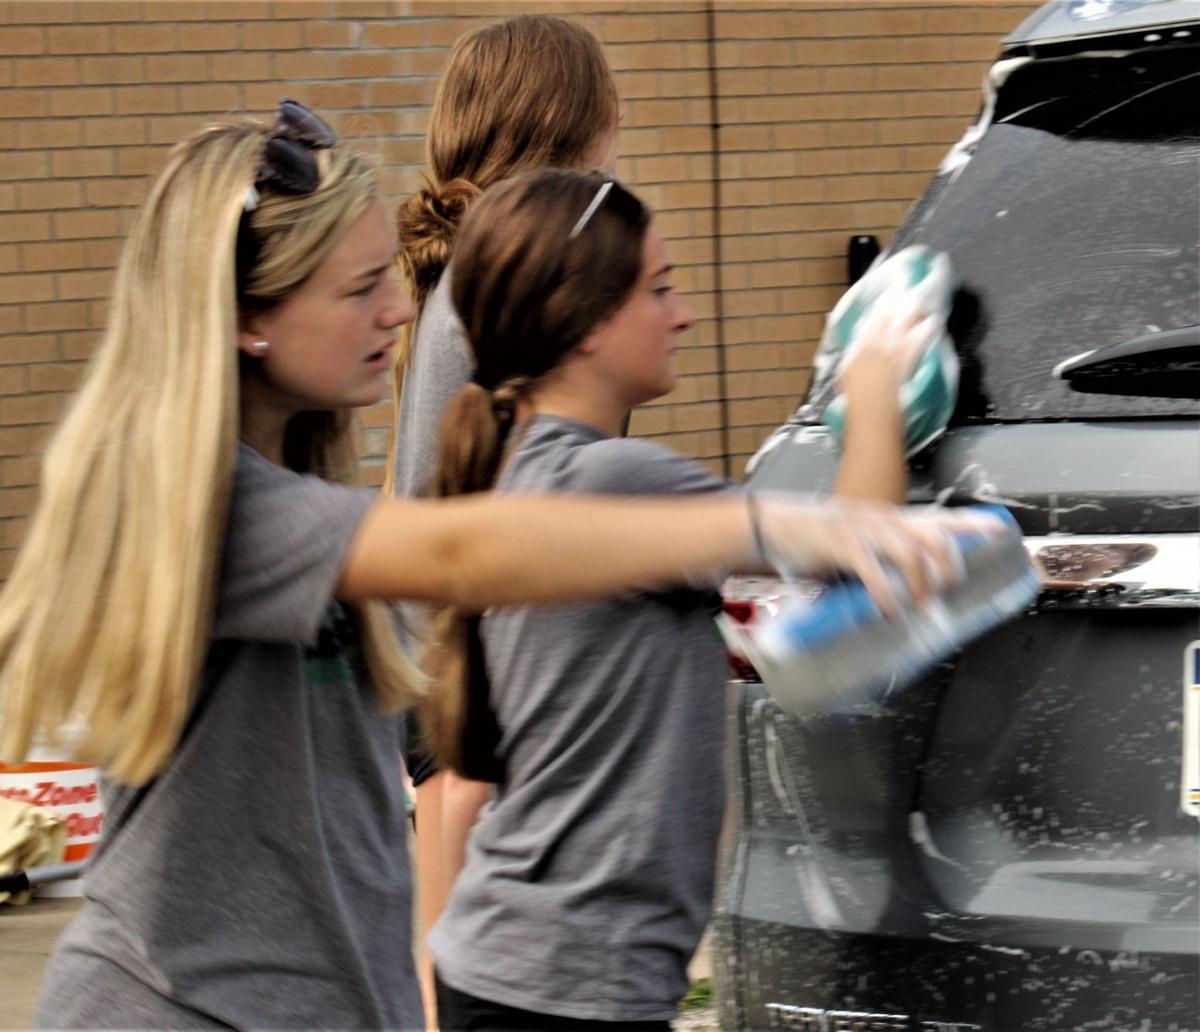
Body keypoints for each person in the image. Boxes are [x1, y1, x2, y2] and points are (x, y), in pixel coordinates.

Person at [0, 105, 976, 1030]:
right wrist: (786, 522)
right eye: (357, 289)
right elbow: (466, 550)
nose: (399, 308)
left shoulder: (297, 498)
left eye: (392, 274)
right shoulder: (217, 505)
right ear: (247, 319)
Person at [420, 169, 988, 1030]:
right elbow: (851, 546)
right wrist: (873, 391)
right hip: (563, 994)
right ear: (586, 323)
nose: (682, 314)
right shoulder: (611, 479)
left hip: (524, 974)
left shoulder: (535, 467)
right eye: (660, 289)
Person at [386, 17, 621, 1019]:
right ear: (578, 120)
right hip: (473, 650)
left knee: (458, 970)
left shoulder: (468, 266)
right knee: (483, 975)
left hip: (431, 642)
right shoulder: (516, 276)